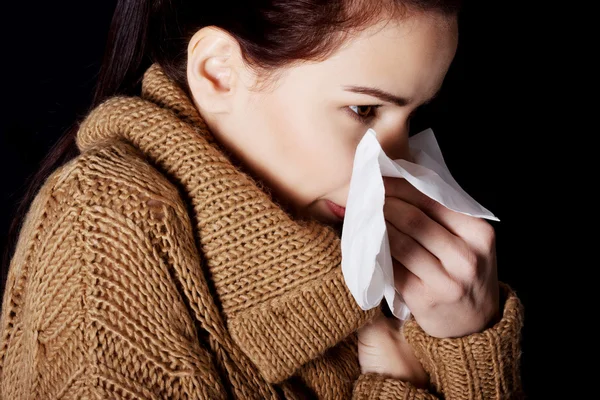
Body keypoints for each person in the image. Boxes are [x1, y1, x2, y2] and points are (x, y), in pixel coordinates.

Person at [0, 0, 524, 398]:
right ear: (219, 74)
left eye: (411, 118)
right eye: (364, 110)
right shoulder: (104, 229)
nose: (394, 165)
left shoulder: (359, 253)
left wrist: (464, 339)